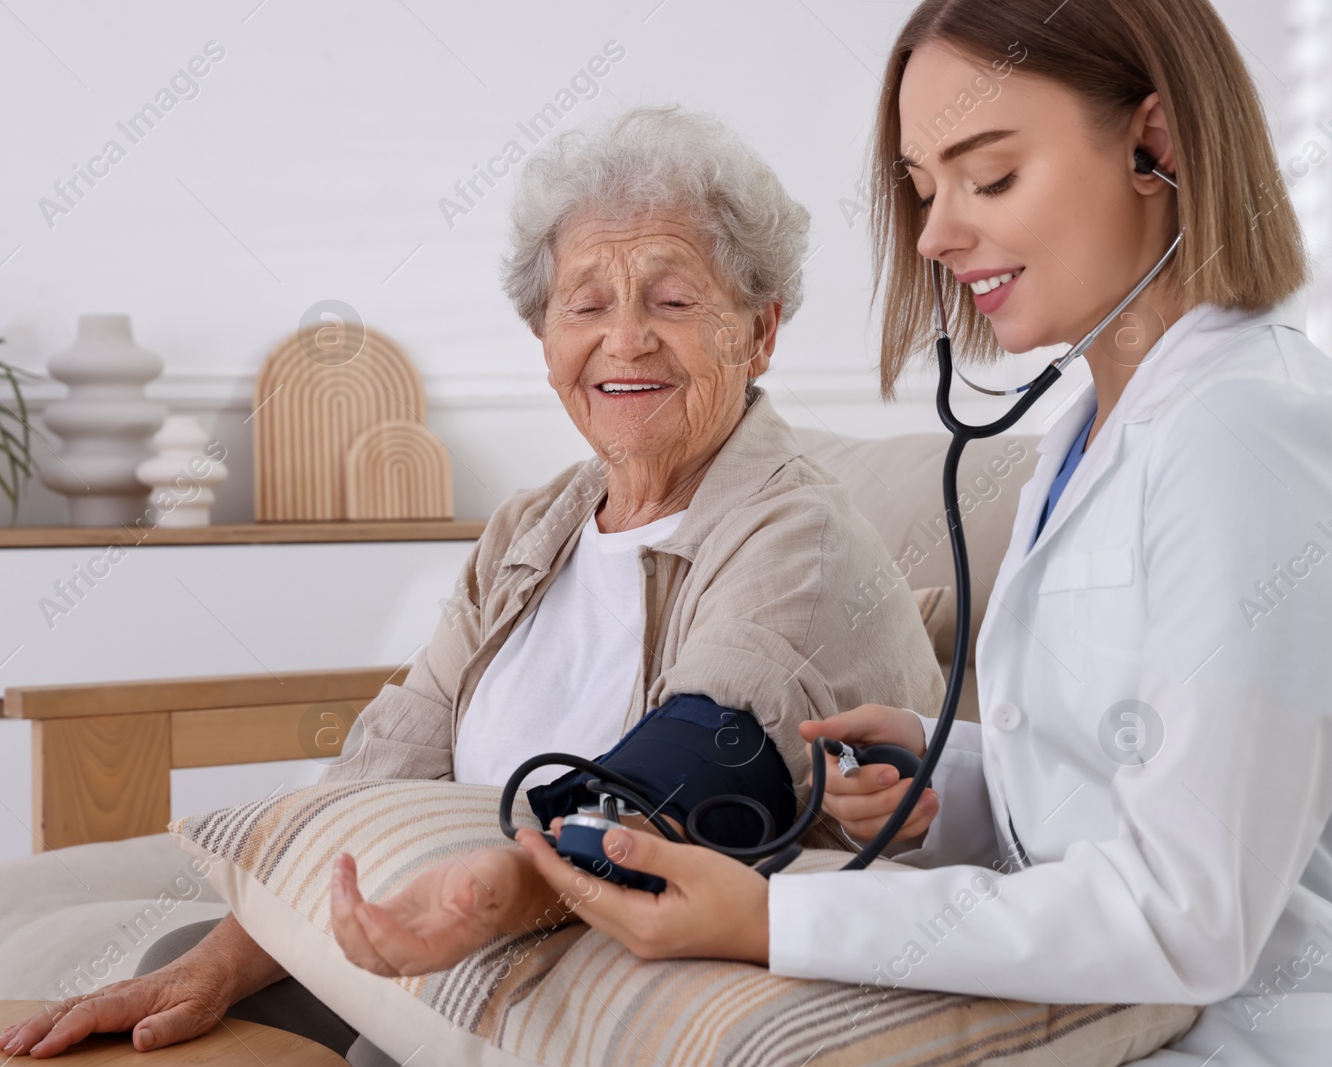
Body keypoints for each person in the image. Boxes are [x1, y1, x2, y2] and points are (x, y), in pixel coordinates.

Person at [0, 105, 948, 1061]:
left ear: (761, 330)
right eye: (586, 305)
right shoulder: (531, 530)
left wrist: (497, 892)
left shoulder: (797, 531)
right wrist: (221, 959)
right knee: (190, 977)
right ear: (545, 341)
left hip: (622, 955)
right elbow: (388, 762)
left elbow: (698, 770)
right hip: (463, 935)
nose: (625, 341)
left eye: (672, 300)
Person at [511, 2, 1332, 1064]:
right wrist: (956, 783)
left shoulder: (1242, 431)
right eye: (924, 186)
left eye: (987, 176)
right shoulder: (1092, 426)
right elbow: (1133, 775)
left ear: (1154, 143)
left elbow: (1190, 909)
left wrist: (769, 920)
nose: (937, 234)